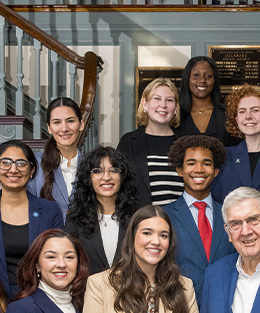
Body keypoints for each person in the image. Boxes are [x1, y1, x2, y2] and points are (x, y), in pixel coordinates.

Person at [0, 140, 64, 300]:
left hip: (41, 299)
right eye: (5, 163)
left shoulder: (50, 211)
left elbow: (59, 258)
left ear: (32, 170)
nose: (13, 170)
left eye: (21, 163)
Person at [164, 135, 235, 305]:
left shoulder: (230, 214)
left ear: (216, 170)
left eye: (207, 163)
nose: (199, 169)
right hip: (179, 308)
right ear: (179, 170)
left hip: (226, 307)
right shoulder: (163, 215)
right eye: (191, 163)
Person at [65, 146, 141, 275]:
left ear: (122, 176)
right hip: (88, 293)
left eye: (113, 170)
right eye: (97, 171)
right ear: (88, 178)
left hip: (130, 293)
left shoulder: (138, 218)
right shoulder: (75, 220)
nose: (106, 177)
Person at [212, 85, 260, 203]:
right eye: (242, 111)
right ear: (236, 119)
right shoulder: (224, 157)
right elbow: (216, 201)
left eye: (255, 110)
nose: (248, 116)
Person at [117, 78, 184, 207]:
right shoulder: (128, 142)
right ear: (145, 104)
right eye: (157, 99)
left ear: (175, 108)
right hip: (141, 221)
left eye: (169, 100)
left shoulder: (186, 143)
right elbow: (119, 186)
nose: (163, 105)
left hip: (178, 222)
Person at [28, 97, 86, 222]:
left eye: (70, 121)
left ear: (81, 124)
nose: (64, 128)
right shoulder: (35, 164)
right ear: (49, 128)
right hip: (47, 238)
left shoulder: (92, 165)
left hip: (84, 240)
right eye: (57, 122)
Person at [178, 56, 238, 147]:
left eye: (208, 76)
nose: (202, 80)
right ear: (188, 79)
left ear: (214, 80)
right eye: (196, 75)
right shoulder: (176, 114)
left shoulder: (229, 114)